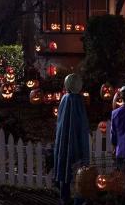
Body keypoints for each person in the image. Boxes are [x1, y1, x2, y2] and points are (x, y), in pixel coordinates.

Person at [53, 73, 89, 205]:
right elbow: (81, 124)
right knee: (77, 170)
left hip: (67, 140)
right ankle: (75, 199)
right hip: (75, 142)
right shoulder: (77, 101)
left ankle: (65, 197)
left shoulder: (65, 99)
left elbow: (61, 123)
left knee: (66, 165)